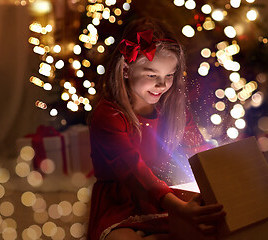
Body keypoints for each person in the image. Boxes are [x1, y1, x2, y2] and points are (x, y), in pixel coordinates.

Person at [87, 17, 225, 240]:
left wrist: (243, 183)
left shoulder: (172, 110)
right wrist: (179, 209)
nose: (162, 85)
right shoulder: (109, 116)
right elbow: (134, 171)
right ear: (126, 70)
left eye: (169, 75)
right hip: (121, 204)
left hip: (167, 198)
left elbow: (199, 149)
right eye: (152, 75)